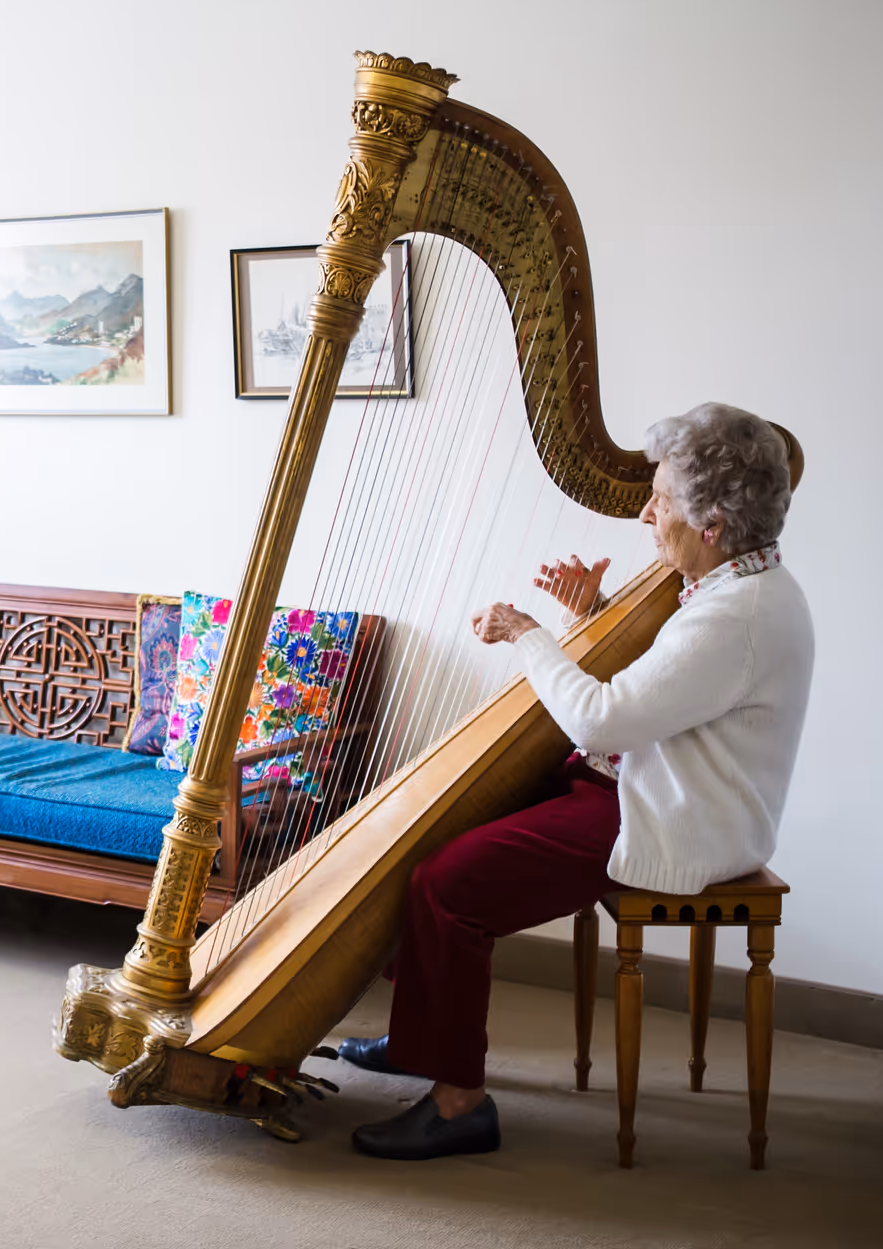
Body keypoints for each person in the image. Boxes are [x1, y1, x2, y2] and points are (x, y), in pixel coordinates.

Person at [346, 402, 814, 1161]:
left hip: (671, 815)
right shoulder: (738, 585)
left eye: (658, 500)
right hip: (647, 784)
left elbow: (599, 721)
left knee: (451, 881)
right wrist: (592, 615)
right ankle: (418, 1039)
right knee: (439, 823)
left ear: (713, 525)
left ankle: (461, 1102)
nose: (643, 514)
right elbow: (669, 690)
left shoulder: (739, 614)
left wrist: (530, 635)